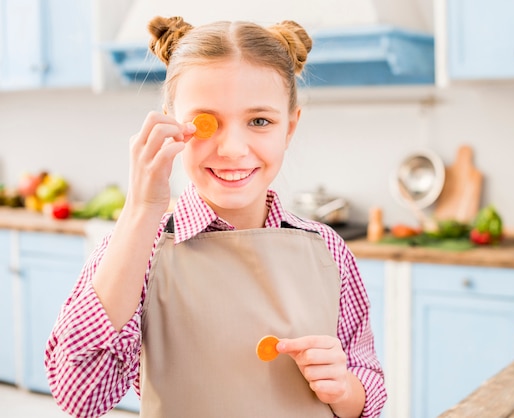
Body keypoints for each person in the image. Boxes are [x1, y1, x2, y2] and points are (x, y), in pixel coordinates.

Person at [45, 15, 386, 418]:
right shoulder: (143, 247)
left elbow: (368, 389)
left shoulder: (327, 248)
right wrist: (142, 209)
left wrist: (344, 388)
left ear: (289, 127)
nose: (233, 149)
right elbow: (79, 396)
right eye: (207, 122)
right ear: (171, 123)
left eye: (259, 121)